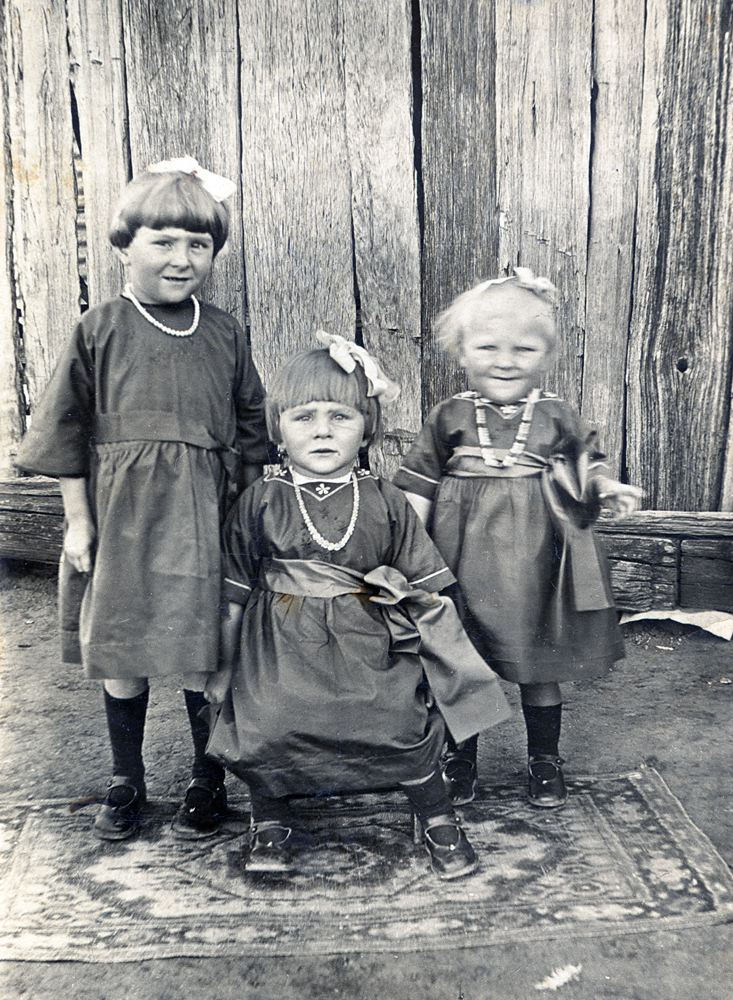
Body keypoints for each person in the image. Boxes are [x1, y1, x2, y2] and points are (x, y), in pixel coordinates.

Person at [16, 157, 269, 842]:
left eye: (198, 244)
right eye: (162, 241)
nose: (182, 258)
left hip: (202, 518)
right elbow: (64, 427)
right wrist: (77, 521)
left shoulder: (223, 332)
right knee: (124, 653)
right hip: (124, 517)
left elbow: (251, 429)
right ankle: (127, 778)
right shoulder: (100, 328)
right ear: (125, 246)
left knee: (199, 652)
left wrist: (245, 517)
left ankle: (204, 775)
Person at [203, 333, 511, 879]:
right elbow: (232, 594)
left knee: (398, 718)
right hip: (277, 646)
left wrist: (441, 656)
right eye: (304, 417)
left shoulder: (385, 499)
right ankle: (270, 817)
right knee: (266, 719)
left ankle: (435, 814)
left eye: (340, 416)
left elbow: (428, 583)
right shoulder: (261, 500)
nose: (322, 430)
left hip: (370, 638)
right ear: (277, 429)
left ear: (367, 426)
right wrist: (223, 668)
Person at [393, 270, 642, 809]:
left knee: (539, 661)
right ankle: (461, 759)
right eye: (488, 347)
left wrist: (606, 488)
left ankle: (544, 758)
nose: (505, 360)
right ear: (461, 353)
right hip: (459, 561)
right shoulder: (450, 416)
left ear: (546, 355)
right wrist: (406, 549)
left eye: (523, 349)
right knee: (462, 663)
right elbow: (418, 485)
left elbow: (584, 471)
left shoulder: (555, 415)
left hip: (536, 566)